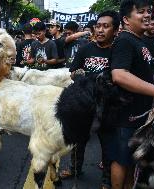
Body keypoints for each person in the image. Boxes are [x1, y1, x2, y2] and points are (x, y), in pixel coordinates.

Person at [109, 1, 154, 188]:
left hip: (139, 114)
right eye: (141, 12)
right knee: (121, 159)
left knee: (132, 160)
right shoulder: (124, 40)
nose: (147, 15)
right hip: (126, 116)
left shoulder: (138, 40)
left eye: (149, 11)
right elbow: (119, 75)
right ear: (125, 19)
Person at [60, 11, 120, 189]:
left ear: (115, 30)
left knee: (108, 144)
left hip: (109, 107)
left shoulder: (118, 51)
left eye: (106, 26)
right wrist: (82, 80)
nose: (100, 30)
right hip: (85, 106)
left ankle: (106, 180)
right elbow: (72, 72)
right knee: (79, 142)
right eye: (98, 26)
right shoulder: (85, 49)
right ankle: (75, 169)